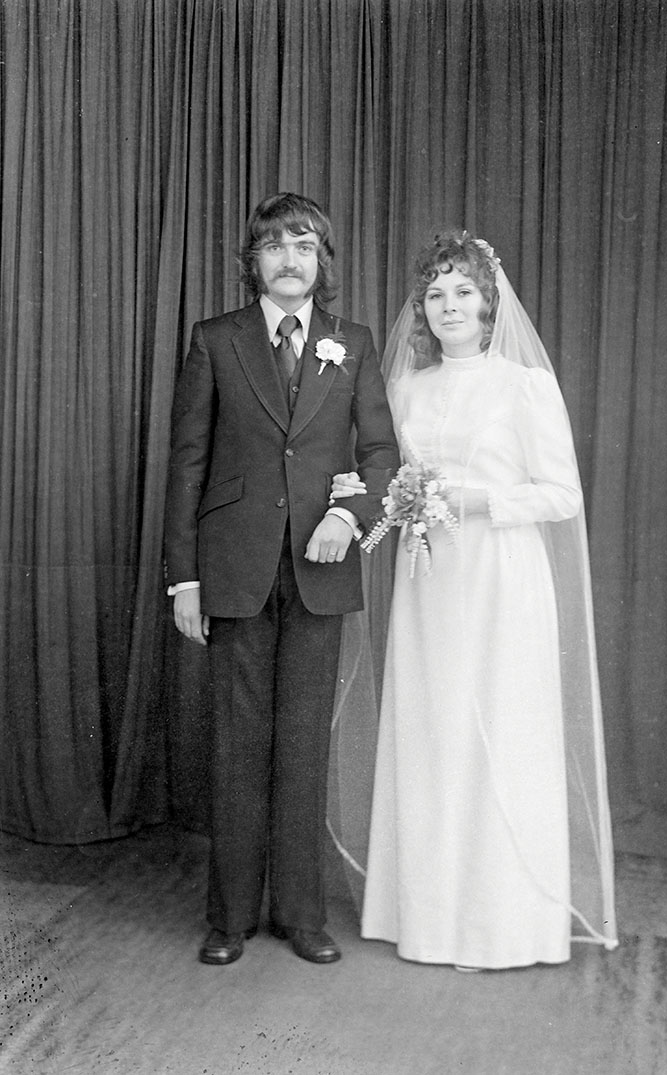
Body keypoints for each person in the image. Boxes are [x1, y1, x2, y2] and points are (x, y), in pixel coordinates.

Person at [331, 231, 617, 969]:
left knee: (503, 730)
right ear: (422, 309)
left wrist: (477, 500)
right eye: (435, 294)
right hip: (429, 580)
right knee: (433, 732)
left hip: (503, 578)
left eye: (463, 291)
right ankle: (427, 916)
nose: (448, 305)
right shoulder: (406, 390)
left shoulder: (524, 386)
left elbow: (561, 495)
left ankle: (503, 924)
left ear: (490, 304)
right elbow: (384, 474)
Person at [164, 192, 399, 966]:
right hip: (234, 569)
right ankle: (229, 916)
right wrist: (184, 579)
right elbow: (188, 462)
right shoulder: (215, 339)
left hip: (319, 570)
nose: (289, 260)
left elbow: (380, 454)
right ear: (253, 261)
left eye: (304, 246)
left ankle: (301, 913)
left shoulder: (353, 343)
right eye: (274, 246)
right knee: (237, 745)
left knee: (302, 745)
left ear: (321, 261)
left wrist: (348, 517)